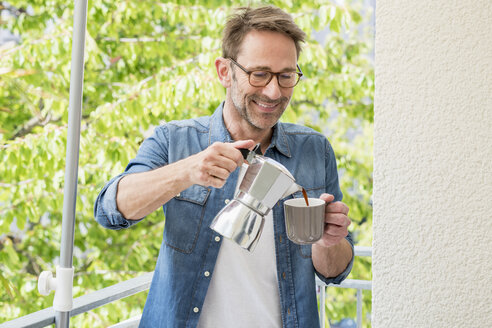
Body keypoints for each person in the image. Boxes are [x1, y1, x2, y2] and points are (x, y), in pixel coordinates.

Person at [94, 5, 353, 328]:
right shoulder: (176, 141)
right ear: (224, 72)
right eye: (259, 74)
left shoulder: (314, 150)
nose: (274, 92)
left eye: (286, 76)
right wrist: (188, 171)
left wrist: (328, 241)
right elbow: (110, 209)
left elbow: (335, 270)